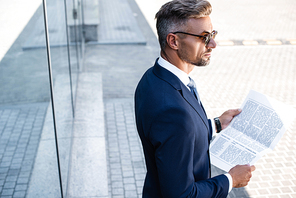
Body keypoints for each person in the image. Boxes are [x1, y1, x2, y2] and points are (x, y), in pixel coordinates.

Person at [134, 0, 256, 197]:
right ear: (173, 41)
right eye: (204, 37)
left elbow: (177, 136)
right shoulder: (172, 111)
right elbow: (182, 195)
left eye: (213, 34)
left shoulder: (152, 77)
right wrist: (231, 179)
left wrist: (216, 124)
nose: (213, 44)